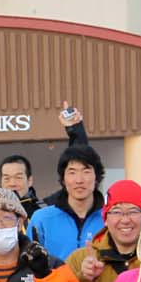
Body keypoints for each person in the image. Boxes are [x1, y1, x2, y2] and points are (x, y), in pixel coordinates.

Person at [27, 105, 105, 260]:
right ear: (63, 179)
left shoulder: (110, 219)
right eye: (72, 172)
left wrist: (76, 130)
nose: (79, 180)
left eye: (86, 171)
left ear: (96, 177)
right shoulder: (42, 219)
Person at [0, 153, 39, 218]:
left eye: (18, 177)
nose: (12, 184)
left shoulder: (41, 212)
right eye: (6, 178)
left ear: (29, 181)